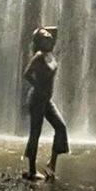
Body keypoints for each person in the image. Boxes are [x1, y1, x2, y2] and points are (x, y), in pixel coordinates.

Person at [22, 25, 69, 181]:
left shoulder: (49, 54)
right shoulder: (39, 56)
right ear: (40, 41)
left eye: (48, 35)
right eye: (44, 36)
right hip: (37, 99)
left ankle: (52, 163)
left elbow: (55, 31)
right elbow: (27, 74)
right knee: (35, 133)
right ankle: (31, 171)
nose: (48, 36)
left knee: (61, 127)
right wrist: (39, 87)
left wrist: (43, 29)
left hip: (46, 100)